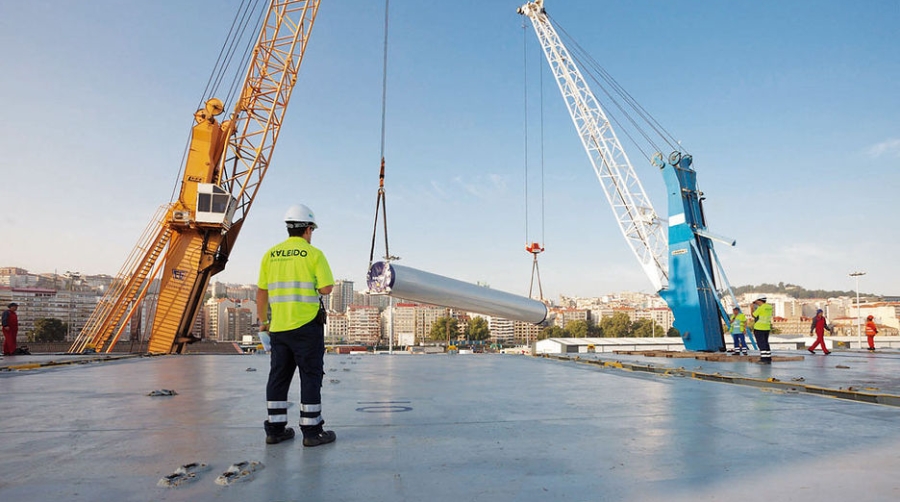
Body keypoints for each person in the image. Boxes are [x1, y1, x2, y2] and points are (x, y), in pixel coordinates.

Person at [256, 204, 336, 447]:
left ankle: (275, 430)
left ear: (289, 228)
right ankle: (312, 433)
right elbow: (326, 288)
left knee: (278, 377)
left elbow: (261, 292)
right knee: (310, 377)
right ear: (309, 229)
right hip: (306, 327)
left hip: (278, 328)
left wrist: (263, 324)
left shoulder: (271, 254)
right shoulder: (314, 254)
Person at [751, 296, 773, 364]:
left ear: (759, 300)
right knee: (766, 343)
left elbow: (753, 315)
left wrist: (751, 307)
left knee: (761, 344)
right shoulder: (769, 307)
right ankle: (768, 358)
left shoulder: (761, 308)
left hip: (759, 328)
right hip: (766, 327)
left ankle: (763, 359)